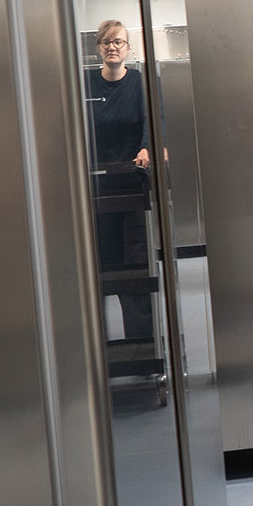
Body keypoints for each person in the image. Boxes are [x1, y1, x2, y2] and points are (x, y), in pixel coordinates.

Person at [87, 19, 154, 342]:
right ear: (98, 47)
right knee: (100, 269)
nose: (112, 47)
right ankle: (97, 350)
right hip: (95, 192)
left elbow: (153, 122)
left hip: (131, 191)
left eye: (119, 42)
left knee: (135, 268)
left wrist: (147, 147)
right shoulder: (85, 84)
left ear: (128, 49)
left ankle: (141, 345)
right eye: (106, 42)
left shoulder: (139, 82)